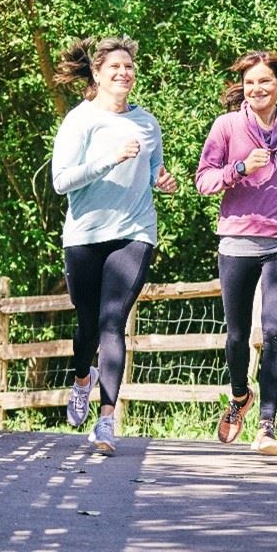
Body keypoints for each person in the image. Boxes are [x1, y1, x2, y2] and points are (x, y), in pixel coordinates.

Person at [51, 36, 178, 454]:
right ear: (97, 73)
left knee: (112, 322)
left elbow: (154, 170)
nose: (124, 73)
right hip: (85, 235)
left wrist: (163, 180)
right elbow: (61, 181)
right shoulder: (80, 120)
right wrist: (110, 158)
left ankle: (106, 421)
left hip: (135, 231)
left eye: (129, 67)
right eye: (115, 67)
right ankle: (81, 379)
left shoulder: (148, 123)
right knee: (87, 326)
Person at [196, 50, 277, 455]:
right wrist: (240, 168)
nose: (257, 89)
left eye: (265, 81)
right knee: (236, 335)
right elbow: (204, 181)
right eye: (250, 82)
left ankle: (267, 425)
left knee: (274, 329)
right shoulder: (227, 126)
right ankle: (239, 396)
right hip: (237, 239)